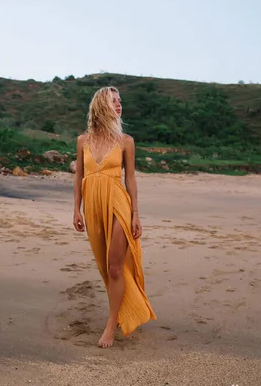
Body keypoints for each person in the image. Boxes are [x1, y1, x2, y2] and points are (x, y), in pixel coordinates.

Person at [72, 86, 156, 348]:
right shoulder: (83, 141)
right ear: (100, 106)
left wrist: (136, 214)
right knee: (103, 265)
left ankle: (111, 324)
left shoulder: (126, 141)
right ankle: (121, 309)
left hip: (118, 203)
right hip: (93, 206)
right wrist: (76, 208)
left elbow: (130, 178)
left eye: (120, 101)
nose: (119, 105)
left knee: (115, 266)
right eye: (114, 101)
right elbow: (79, 176)